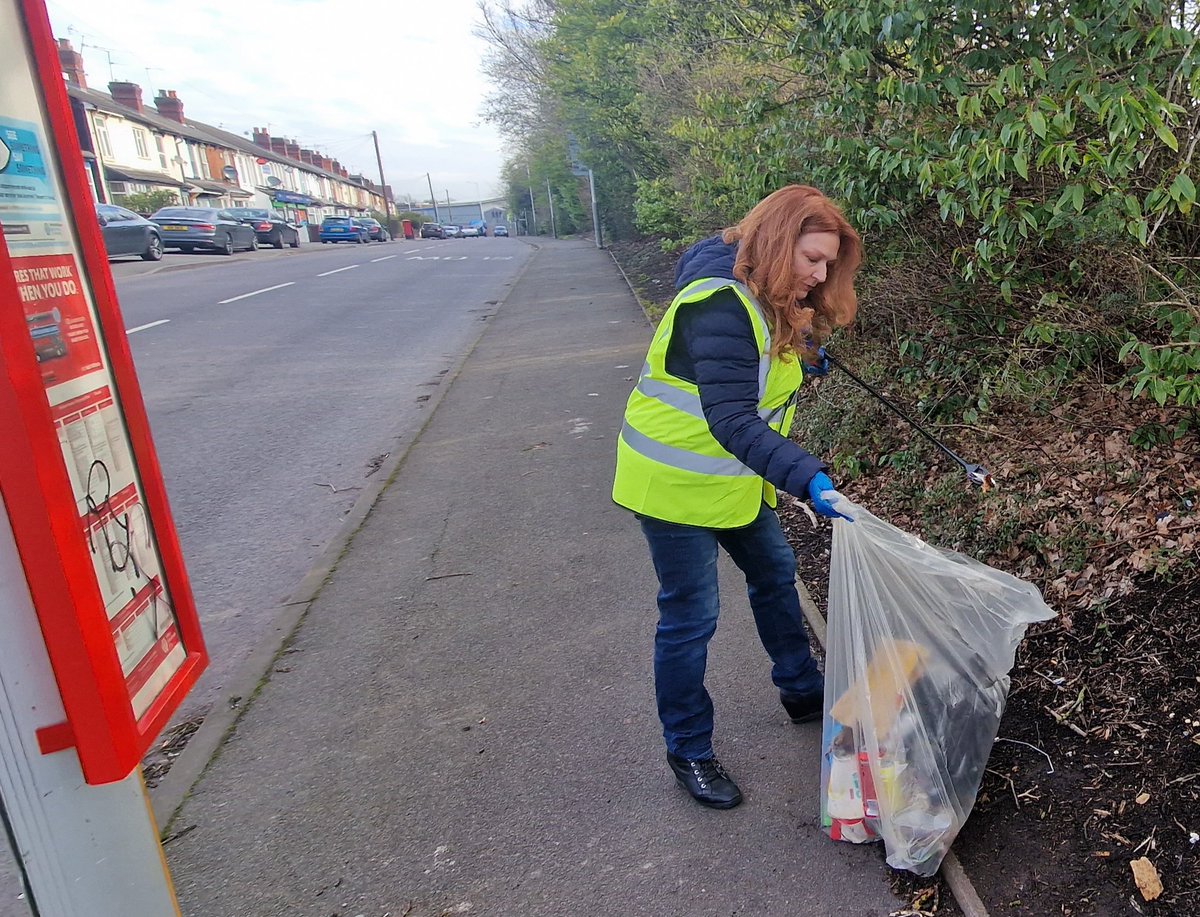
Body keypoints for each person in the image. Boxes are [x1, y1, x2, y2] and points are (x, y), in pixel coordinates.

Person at [611, 184, 863, 809]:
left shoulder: (767, 297)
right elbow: (731, 417)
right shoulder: (716, 307)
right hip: (672, 488)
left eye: (828, 262)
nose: (819, 273)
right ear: (778, 245)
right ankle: (689, 750)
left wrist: (802, 357)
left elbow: (752, 372)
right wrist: (807, 477)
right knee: (692, 617)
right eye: (811, 258)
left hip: (733, 484)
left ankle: (801, 690)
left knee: (777, 574)